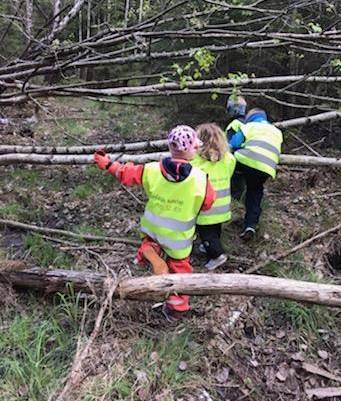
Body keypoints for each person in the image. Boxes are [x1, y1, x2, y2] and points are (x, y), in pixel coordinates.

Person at [93, 125, 216, 323]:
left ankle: (150, 254)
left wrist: (107, 164)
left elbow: (125, 173)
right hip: (179, 240)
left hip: (153, 231)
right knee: (180, 272)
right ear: (193, 149)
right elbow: (208, 204)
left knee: (149, 245)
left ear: (170, 146)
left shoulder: (150, 170)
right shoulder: (201, 178)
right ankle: (177, 310)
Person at [230, 108, 283, 241]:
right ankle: (250, 225)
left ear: (251, 117)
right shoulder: (277, 131)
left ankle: (233, 199)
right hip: (267, 167)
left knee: (233, 170)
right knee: (255, 192)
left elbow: (234, 143)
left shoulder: (249, 126)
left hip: (247, 161)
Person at [190, 123, 236, 270]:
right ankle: (208, 246)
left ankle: (217, 255)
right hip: (222, 205)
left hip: (205, 206)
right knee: (215, 228)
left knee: (205, 231)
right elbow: (229, 173)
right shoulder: (228, 159)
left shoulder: (195, 162)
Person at [225, 95, 247, 200]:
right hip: (249, 159)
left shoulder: (234, 125)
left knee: (235, 186)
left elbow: (230, 146)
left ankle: (235, 202)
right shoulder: (249, 122)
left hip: (236, 161)